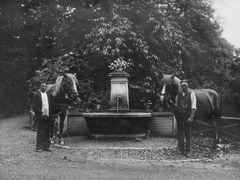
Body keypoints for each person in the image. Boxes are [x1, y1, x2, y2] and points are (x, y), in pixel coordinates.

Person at [32, 82, 73, 152]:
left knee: (47, 132)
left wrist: (69, 100)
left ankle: (45, 147)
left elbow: (58, 99)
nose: (43, 87)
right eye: (42, 86)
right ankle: (38, 147)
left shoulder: (49, 95)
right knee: (40, 132)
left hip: (48, 116)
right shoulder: (36, 95)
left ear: (46, 87)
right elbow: (34, 106)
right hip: (41, 116)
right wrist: (40, 112)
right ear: (40, 87)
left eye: (44, 86)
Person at [175, 80, 196, 157]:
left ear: (187, 86)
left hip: (188, 117)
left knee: (188, 135)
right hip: (180, 118)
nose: (184, 87)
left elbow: (193, 107)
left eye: (185, 86)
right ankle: (181, 149)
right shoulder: (178, 95)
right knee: (180, 134)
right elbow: (177, 106)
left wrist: (191, 117)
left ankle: (188, 151)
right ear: (181, 87)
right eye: (182, 86)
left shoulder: (191, 94)